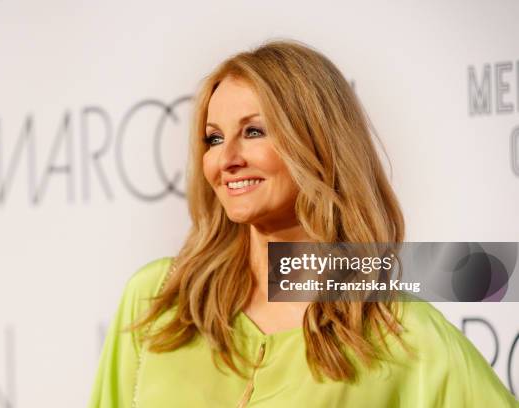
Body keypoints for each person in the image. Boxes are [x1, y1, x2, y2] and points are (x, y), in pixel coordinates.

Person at [88, 40, 518, 407]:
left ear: (317, 142)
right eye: (214, 138)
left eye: (254, 132)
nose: (227, 158)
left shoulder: (397, 327)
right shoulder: (160, 299)